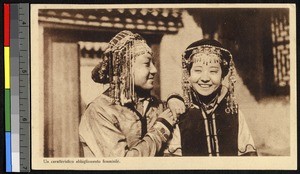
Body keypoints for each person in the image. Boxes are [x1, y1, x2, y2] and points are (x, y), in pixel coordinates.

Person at [79, 30, 177, 157]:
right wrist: (160, 131)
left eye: (153, 63)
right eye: (147, 64)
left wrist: (174, 98)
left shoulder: (155, 104)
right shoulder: (100, 111)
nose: (154, 70)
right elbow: (124, 164)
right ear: (125, 69)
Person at [166, 39, 257, 156]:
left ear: (223, 75)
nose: (205, 78)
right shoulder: (180, 113)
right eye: (198, 70)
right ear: (188, 74)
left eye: (213, 71)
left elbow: (249, 158)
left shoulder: (233, 113)